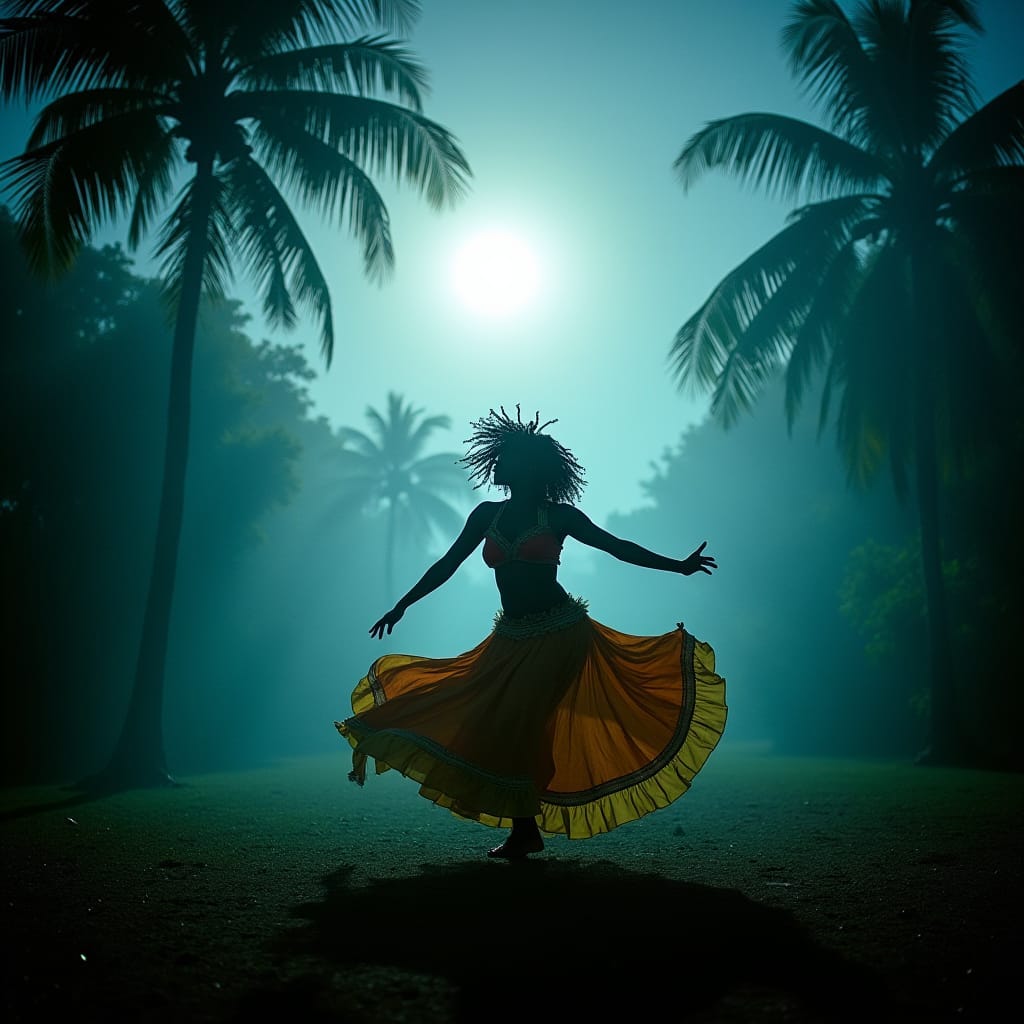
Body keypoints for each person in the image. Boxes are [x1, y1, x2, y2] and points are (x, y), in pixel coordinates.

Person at [335, 406, 727, 859]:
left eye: (506, 458)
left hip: (562, 634)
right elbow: (447, 564)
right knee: (490, 716)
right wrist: (403, 604)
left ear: (528, 466)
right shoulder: (487, 515)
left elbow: (616, 547)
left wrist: (678, 566)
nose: (497, 464)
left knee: (519, 722)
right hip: (511, 637)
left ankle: (525, 830)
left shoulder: (559, 517)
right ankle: (526, 828)